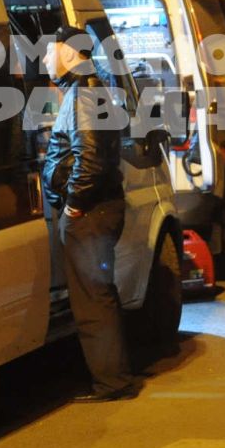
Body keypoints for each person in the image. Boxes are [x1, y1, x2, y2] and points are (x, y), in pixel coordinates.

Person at [40, 26, 138, 402]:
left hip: (90, 212)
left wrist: (74, 206)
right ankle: (114, 378)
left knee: (93, 299)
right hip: (95, 209)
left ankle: (112, 382)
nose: (45, 59)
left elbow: (92, 158)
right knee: (97, 295)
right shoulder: (91, 89)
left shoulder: (84, 93)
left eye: (49, 52)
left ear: (66, 52)